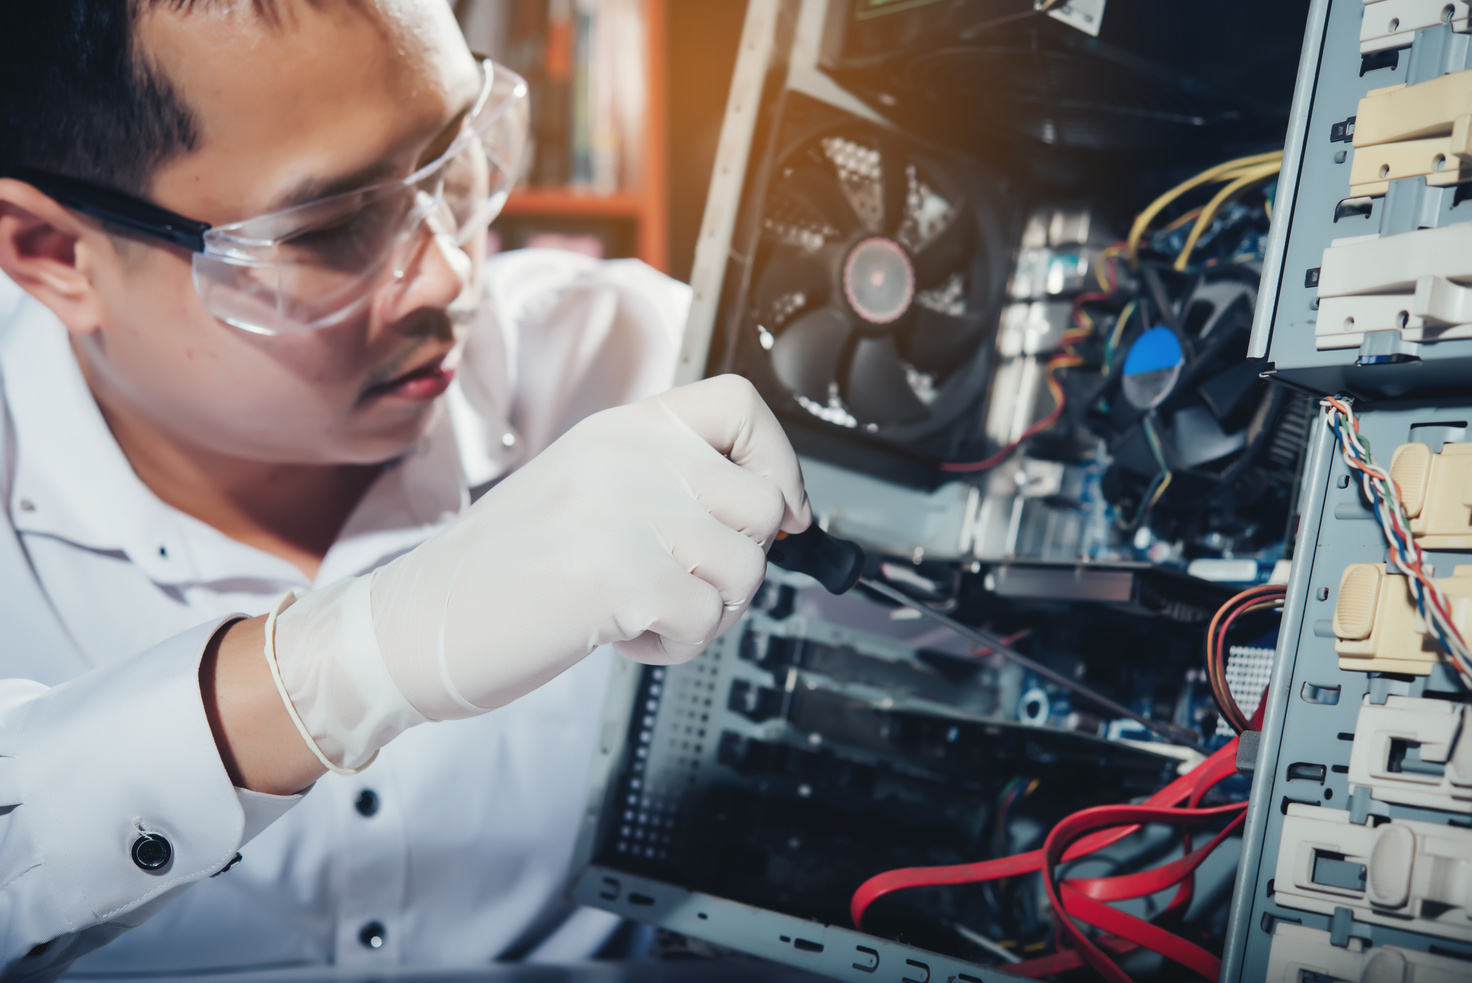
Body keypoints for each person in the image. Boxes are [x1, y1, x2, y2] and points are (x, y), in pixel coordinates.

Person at [0, 0, 809, 976]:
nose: (449, 271)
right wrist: (341, 667)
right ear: (55, 255)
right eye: (333, 224)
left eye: (455, 150)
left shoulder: (647, 363)